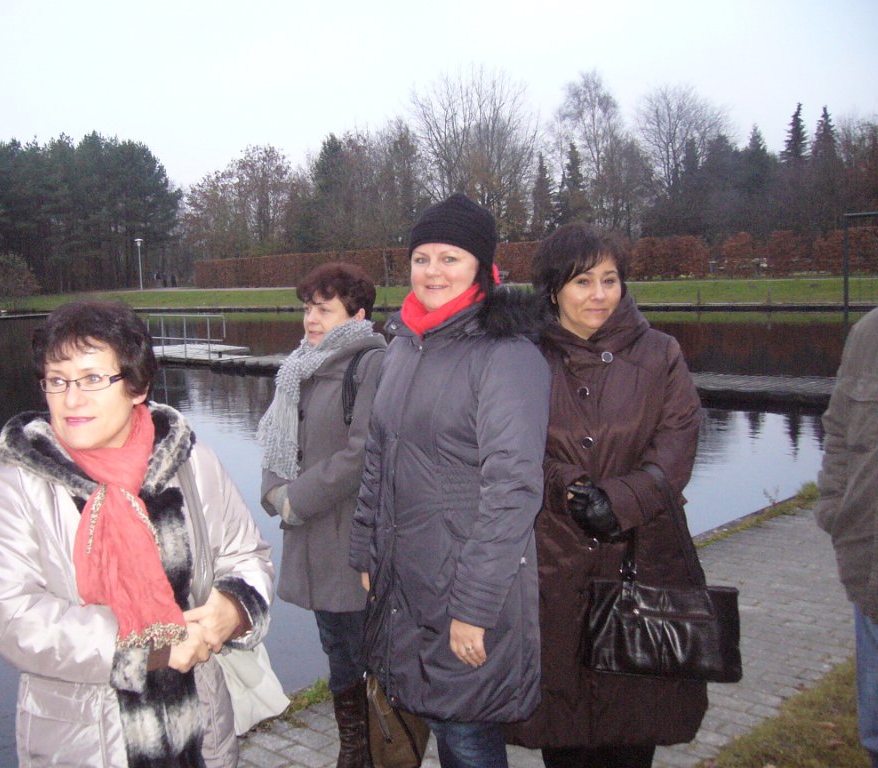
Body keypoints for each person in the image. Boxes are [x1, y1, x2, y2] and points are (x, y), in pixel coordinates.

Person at [0, 300, 274, 768]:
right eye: (57, 380)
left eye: (93, 378)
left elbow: (247, 554)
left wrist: (233, 608)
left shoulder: (188, 464)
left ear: (137, 386)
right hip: (87, 743)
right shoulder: (21, 484)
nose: (72, 399)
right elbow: (13, 617)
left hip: (200, 737)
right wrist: (149, 648)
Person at [349, 193, 551, 768]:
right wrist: (365, 549)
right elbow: (378, 456)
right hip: (407, 576)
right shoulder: (404, 345)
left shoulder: (506, 355)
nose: (432, 271)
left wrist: (475, 608)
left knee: (465, 735)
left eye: (450, 258)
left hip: (466, 583)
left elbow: (512, 491)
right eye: (422, 258)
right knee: (435, 719)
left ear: (483, 268)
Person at [504, 223, 706, 768]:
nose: (599, 294)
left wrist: (621, 500)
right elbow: (507, 445)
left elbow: (678, 441)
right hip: (554, 565)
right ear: (553, 291)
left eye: (610, 280)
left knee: (632, 725)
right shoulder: (523, 359)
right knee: (564, 730)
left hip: (642, 558)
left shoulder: (660, 353)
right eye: (583, 281)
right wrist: (566, 485)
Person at [257, 262, 387, 768]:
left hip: (350, 536)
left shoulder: (371, 364)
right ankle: (354, 748)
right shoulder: (299, 367)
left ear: (357, 315)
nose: (311, 319)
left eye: (324, 309)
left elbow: (362, 453)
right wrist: (273, 490)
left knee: (356, 650)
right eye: (308, 308)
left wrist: (298, 499)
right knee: (336, 645)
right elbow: (279, 439)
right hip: (310, 534)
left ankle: (365, 752)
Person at [816, 306, 878, 768]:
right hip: (868, 566)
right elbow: (838, 429)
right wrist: (835, 510)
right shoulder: (868, 335)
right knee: (875, 731)